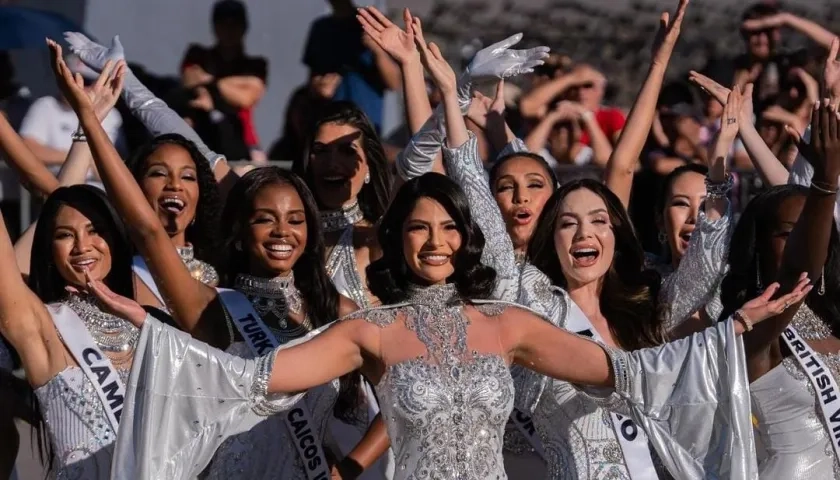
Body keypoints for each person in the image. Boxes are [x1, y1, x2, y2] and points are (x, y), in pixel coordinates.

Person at [108, 171, 808, 480]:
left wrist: (730, 330)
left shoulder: (509, 325)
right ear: (399, 243)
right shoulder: (369, 331)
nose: (436, 242)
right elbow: (252, 379)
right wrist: (157, 335)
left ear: (466, 239)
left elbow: (624, 372)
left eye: (449, 228)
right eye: (418, 229)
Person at [180, 0, 268, 162]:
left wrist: (210, 82)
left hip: (242, 142)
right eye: (223, 23)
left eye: (234, 24)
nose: (229, 30)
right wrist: (233, 86)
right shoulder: (198, 54)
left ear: (244, 27)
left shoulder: (255, 65)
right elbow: (189, 79)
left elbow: (245, 98)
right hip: (202, 134)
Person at [302, 0, 401, 133]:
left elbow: (394, 83)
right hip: (329, 126)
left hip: (366, 127)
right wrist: (320, 88)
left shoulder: (371, 23)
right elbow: (312, 84)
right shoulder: (320, 28)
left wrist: (378, 50)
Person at [19, 54, 123, 172]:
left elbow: (120, 162)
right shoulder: (45, 106)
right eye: (71, 79)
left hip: (99, 187)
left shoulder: (111, 115)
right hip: (57, 185)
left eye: (86, 81)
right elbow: (26, 149)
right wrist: (83, 160)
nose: (77, 85)